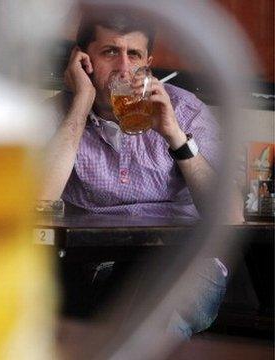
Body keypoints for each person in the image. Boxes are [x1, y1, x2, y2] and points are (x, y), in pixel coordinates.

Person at [41, 10, 237, 339]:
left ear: (147, 61)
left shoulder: (185, 111)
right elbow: (38, 199)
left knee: (156, 316)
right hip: (91, 261)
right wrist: (82, 101)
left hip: (181, 259)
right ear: (82, 59)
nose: (123, 68)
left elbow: (231, 215)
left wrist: (175, 135)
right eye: (109, 52)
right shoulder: (58, 114)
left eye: (134, 55)